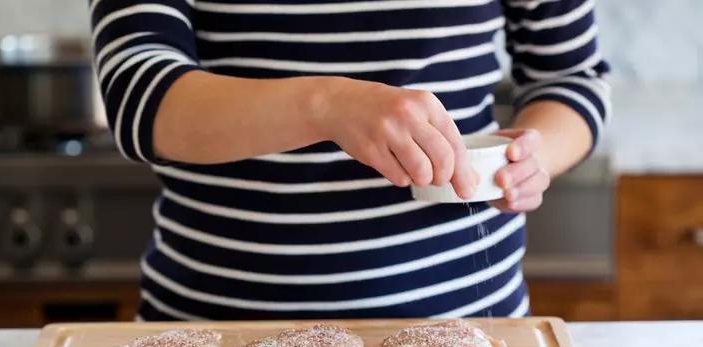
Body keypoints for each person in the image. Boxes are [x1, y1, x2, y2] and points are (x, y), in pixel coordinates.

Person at [89, 0, 610, 321]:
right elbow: (138, 95)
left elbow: (571, 77)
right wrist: (327, 106)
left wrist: (533, 156)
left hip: (462, 323)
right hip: (216, 333)